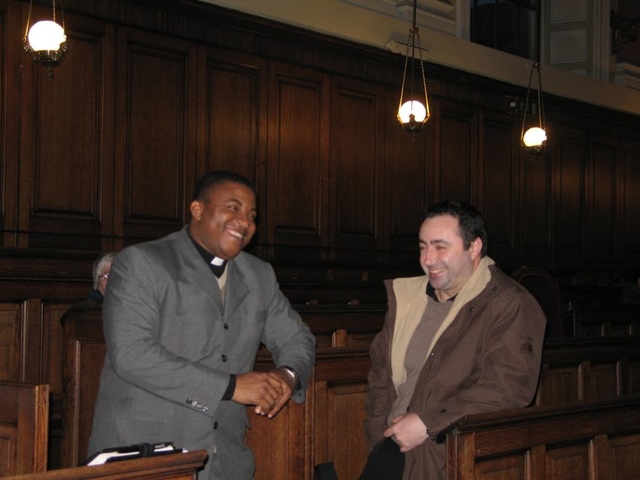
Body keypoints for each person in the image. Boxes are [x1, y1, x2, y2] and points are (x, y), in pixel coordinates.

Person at [88, 170, 316, 480]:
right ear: (197, 210)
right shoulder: (142, 262)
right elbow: (131, 355)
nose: (245, 222)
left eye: (252, 215)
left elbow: (297, 338)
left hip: (226, 457)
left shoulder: (259, 275)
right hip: (148, 453)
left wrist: (287, 376)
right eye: (233, 207)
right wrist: (232, 386)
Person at [360, 200, 546, 480]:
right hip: (392, 449)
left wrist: (426, 423)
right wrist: (379, 435)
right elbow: (380, 374)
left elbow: (507, 388)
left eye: (440, 246)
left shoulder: (509, 304)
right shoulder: (408, 299)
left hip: (451, 454)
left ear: (474, 247)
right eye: (423, 246)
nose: (428, 259)